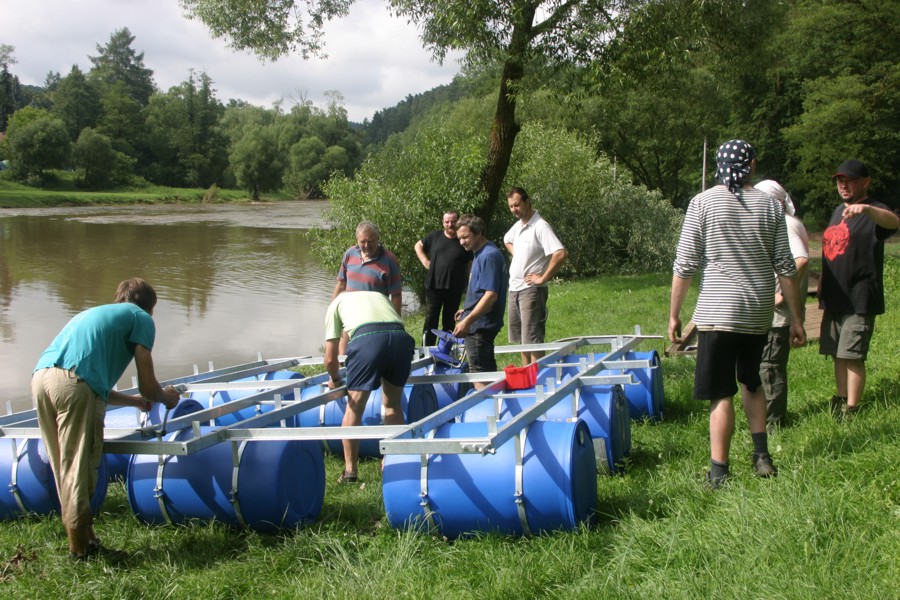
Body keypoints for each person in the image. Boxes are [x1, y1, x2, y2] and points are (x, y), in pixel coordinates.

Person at [668, 140, 805, 489]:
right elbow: (786, 266)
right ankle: (762, 457)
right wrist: (797, 318)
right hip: (758, 311)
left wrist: (674, 315)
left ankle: (719, 471)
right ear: (752, 166)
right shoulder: (771, 207)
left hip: (718, 311)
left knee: (721, 393)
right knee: (753, 381)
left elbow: (685, 265)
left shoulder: (702, 203)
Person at [32, 278, 181, 559]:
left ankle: (88, 539)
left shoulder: (96, 313)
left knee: (62, 464)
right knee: (79, 464)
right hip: (73, 383)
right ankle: (80, 551)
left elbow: (90, 384)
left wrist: (134, 402)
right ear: (150, 306)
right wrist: (165, 396)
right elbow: (148, 386)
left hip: (41, 379)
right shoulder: (141, 318)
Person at [818, 159, 899, 421]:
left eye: (850, 180)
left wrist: (866, 209)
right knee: (837, 353)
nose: (843, 185)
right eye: (840, 180)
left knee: (852, 354)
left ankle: (852, 408)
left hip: (859, 297)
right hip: (835, 296)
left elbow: (893, 222)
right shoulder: (837, 211)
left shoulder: (874, 211)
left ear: (865, 182)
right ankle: (841, 399)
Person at [323, 290, 415, 483]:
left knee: (355, 408)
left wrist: (336, 379)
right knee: (392, 405)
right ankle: (392, 463)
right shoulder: (378, 295)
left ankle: (350, 472)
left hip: (369, 340)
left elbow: (330, 358)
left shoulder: (335, 305)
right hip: (401, 339)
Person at [755, 180, 810, 431]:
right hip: (777, 311)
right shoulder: (783, 222)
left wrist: (779, 294)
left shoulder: (785, 224)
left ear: (775, 201)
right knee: (767, 366)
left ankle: (773, 424)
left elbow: (801, 259)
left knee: (770, 368)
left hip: (780, 313)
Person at [503, 187, 567, 364]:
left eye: (516, 205)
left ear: (527, 202)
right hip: (515, 288)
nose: (514, 209)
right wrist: (519, 254)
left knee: (533, 340)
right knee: (523, 342)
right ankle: (527, 379)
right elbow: (506, 240)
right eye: (510, 206)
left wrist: (543, 277)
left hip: (531, 290)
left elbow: (560, 253)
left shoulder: (540, 226)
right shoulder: (519, 226)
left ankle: (539, 380)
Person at [453, 214, 508, 389]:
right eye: (459, 238)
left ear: (479, 233)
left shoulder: (487, 256)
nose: (461, 242)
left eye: (465, 237)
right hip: (477, 322)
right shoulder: (480, 253)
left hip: (479, 327)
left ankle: (486, 412)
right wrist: (467, 309)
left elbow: (491, 295)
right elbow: (481, 290)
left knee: (480, 376)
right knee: (487, 369)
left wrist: (468, 320)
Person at [331, 220, 403, 354]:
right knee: (343, 355)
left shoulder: (389, 260)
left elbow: (396, 294)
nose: (366, 245)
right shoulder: (349, 254)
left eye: (370, 241)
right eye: (362, 241)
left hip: (374, 319)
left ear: (378, 239)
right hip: (350, 317)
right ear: (357, 240)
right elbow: (341, 284)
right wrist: (333, 311)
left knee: (369, 355)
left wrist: (396, 323)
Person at [414, 211, 473, 346]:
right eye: (447, 221)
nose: (450, 224)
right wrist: (424, 261)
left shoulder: (463, 240)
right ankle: (426, 351)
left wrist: (471, 283)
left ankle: (445, 351)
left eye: (453, 221)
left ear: (458, 222)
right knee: (430, 321)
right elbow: (417, 245)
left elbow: (470, 264)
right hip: (434, 287)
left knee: (449, 322)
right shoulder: (434, 237)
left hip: (454, 288)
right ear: (443, 222)